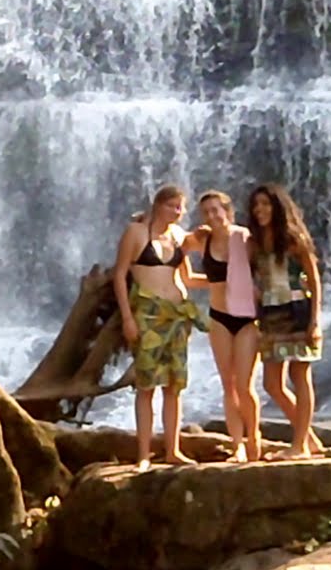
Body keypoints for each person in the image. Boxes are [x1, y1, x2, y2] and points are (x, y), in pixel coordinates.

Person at [112, 184, 206, 470]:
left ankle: (173, 449)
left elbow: (187, 278)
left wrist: (225, 281)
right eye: (171, 205)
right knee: (146, 385)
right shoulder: (136, 232)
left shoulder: (179, 237)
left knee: (174, 385)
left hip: (178, 315)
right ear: (157, 205)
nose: (177, 212)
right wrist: (127, 317)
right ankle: (143, 453)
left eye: (181, 207)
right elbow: (119, 275)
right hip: (148, 315)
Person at [246, 182, 325, 459]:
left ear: (277, 207)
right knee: (271, 383)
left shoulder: (293, 238)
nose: (260, 210)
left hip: (298, 311)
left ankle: (299, 445)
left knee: (299, 375)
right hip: (270, 314)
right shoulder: (254, 243)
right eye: (256, 205)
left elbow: (314, 280)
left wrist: (315, 321)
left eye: (266, 204)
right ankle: (309, 438)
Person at [183, 191, 261, 462]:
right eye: (206, 211)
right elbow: (177, 247)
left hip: (247, 318)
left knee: (245, 385)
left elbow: (265, 264)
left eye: (216, 210)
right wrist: (202, 281)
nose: (212, 216)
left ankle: (254, 437)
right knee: (228, 386)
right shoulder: (201, 241)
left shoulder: (245, 238)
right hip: (218, 317)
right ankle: (237, 444)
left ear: (228, 211)